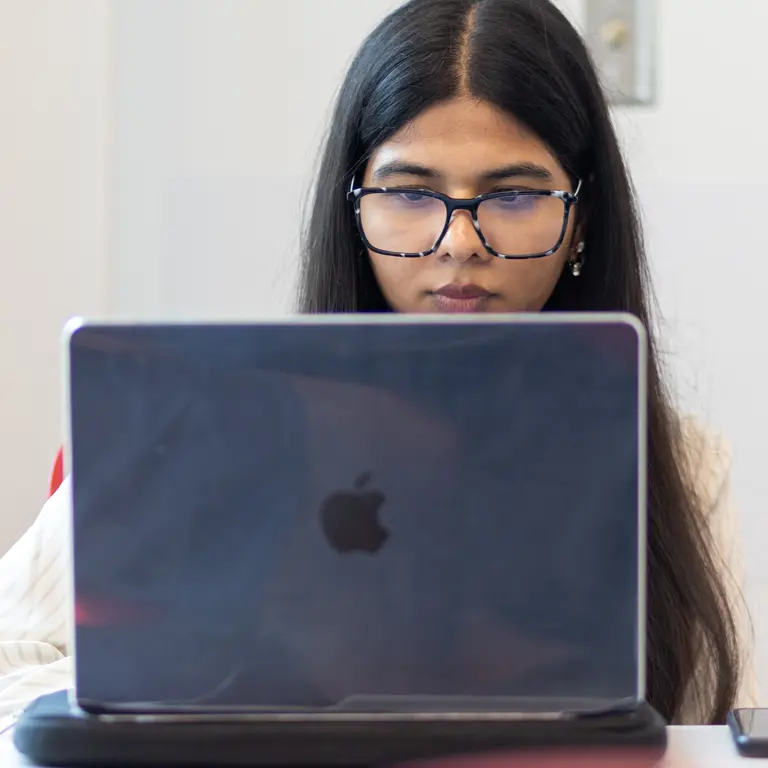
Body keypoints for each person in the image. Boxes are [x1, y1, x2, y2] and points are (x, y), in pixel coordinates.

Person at [0, 0, 755, 727]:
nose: (460, 242)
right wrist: (165, 702)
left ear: (581, 216)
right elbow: (11, 665)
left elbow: (715, 731)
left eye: (516, 194)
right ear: (354, 207)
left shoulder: (679, 463)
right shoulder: (211, 420)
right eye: (410, 192)